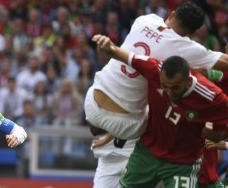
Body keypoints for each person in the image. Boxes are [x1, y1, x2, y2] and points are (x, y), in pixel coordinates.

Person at [85, 2, 228, 188]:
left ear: (172, 14)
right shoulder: (185, 48)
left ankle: (113, 139)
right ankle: (119, 139)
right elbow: (222, 62)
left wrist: (108, 47)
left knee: (153, 94)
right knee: (160, 107)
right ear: (191, 34)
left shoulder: (145, 20)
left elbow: (125, 55)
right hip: (126, 124)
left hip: (92, 102)